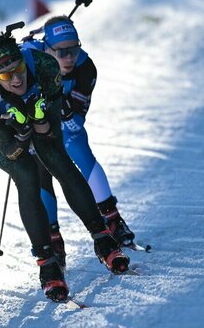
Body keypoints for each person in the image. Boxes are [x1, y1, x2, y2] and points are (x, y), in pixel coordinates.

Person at [0, 32, 129, 302]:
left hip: (30, 112)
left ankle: (103, 238)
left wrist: (37, 118)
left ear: (23, 60)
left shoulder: (43, 65)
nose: (16, 79)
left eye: (17, 69)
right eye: (5, 76)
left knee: (57, 158)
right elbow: (12, 149)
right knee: (26, 173)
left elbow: (48, 132)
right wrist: (19, 129)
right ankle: (46, 263)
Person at [22, 16, 138, 268]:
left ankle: (112, 218)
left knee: (80, 149)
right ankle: (53, 236)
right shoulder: (31, 60)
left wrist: (61, 106)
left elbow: (75, 120)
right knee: (41, 172)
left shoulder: (86, 67)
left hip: (63, 126)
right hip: (38, 129)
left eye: (74, 50)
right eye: (61, 52)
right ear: (47, 48)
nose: (69, 58)